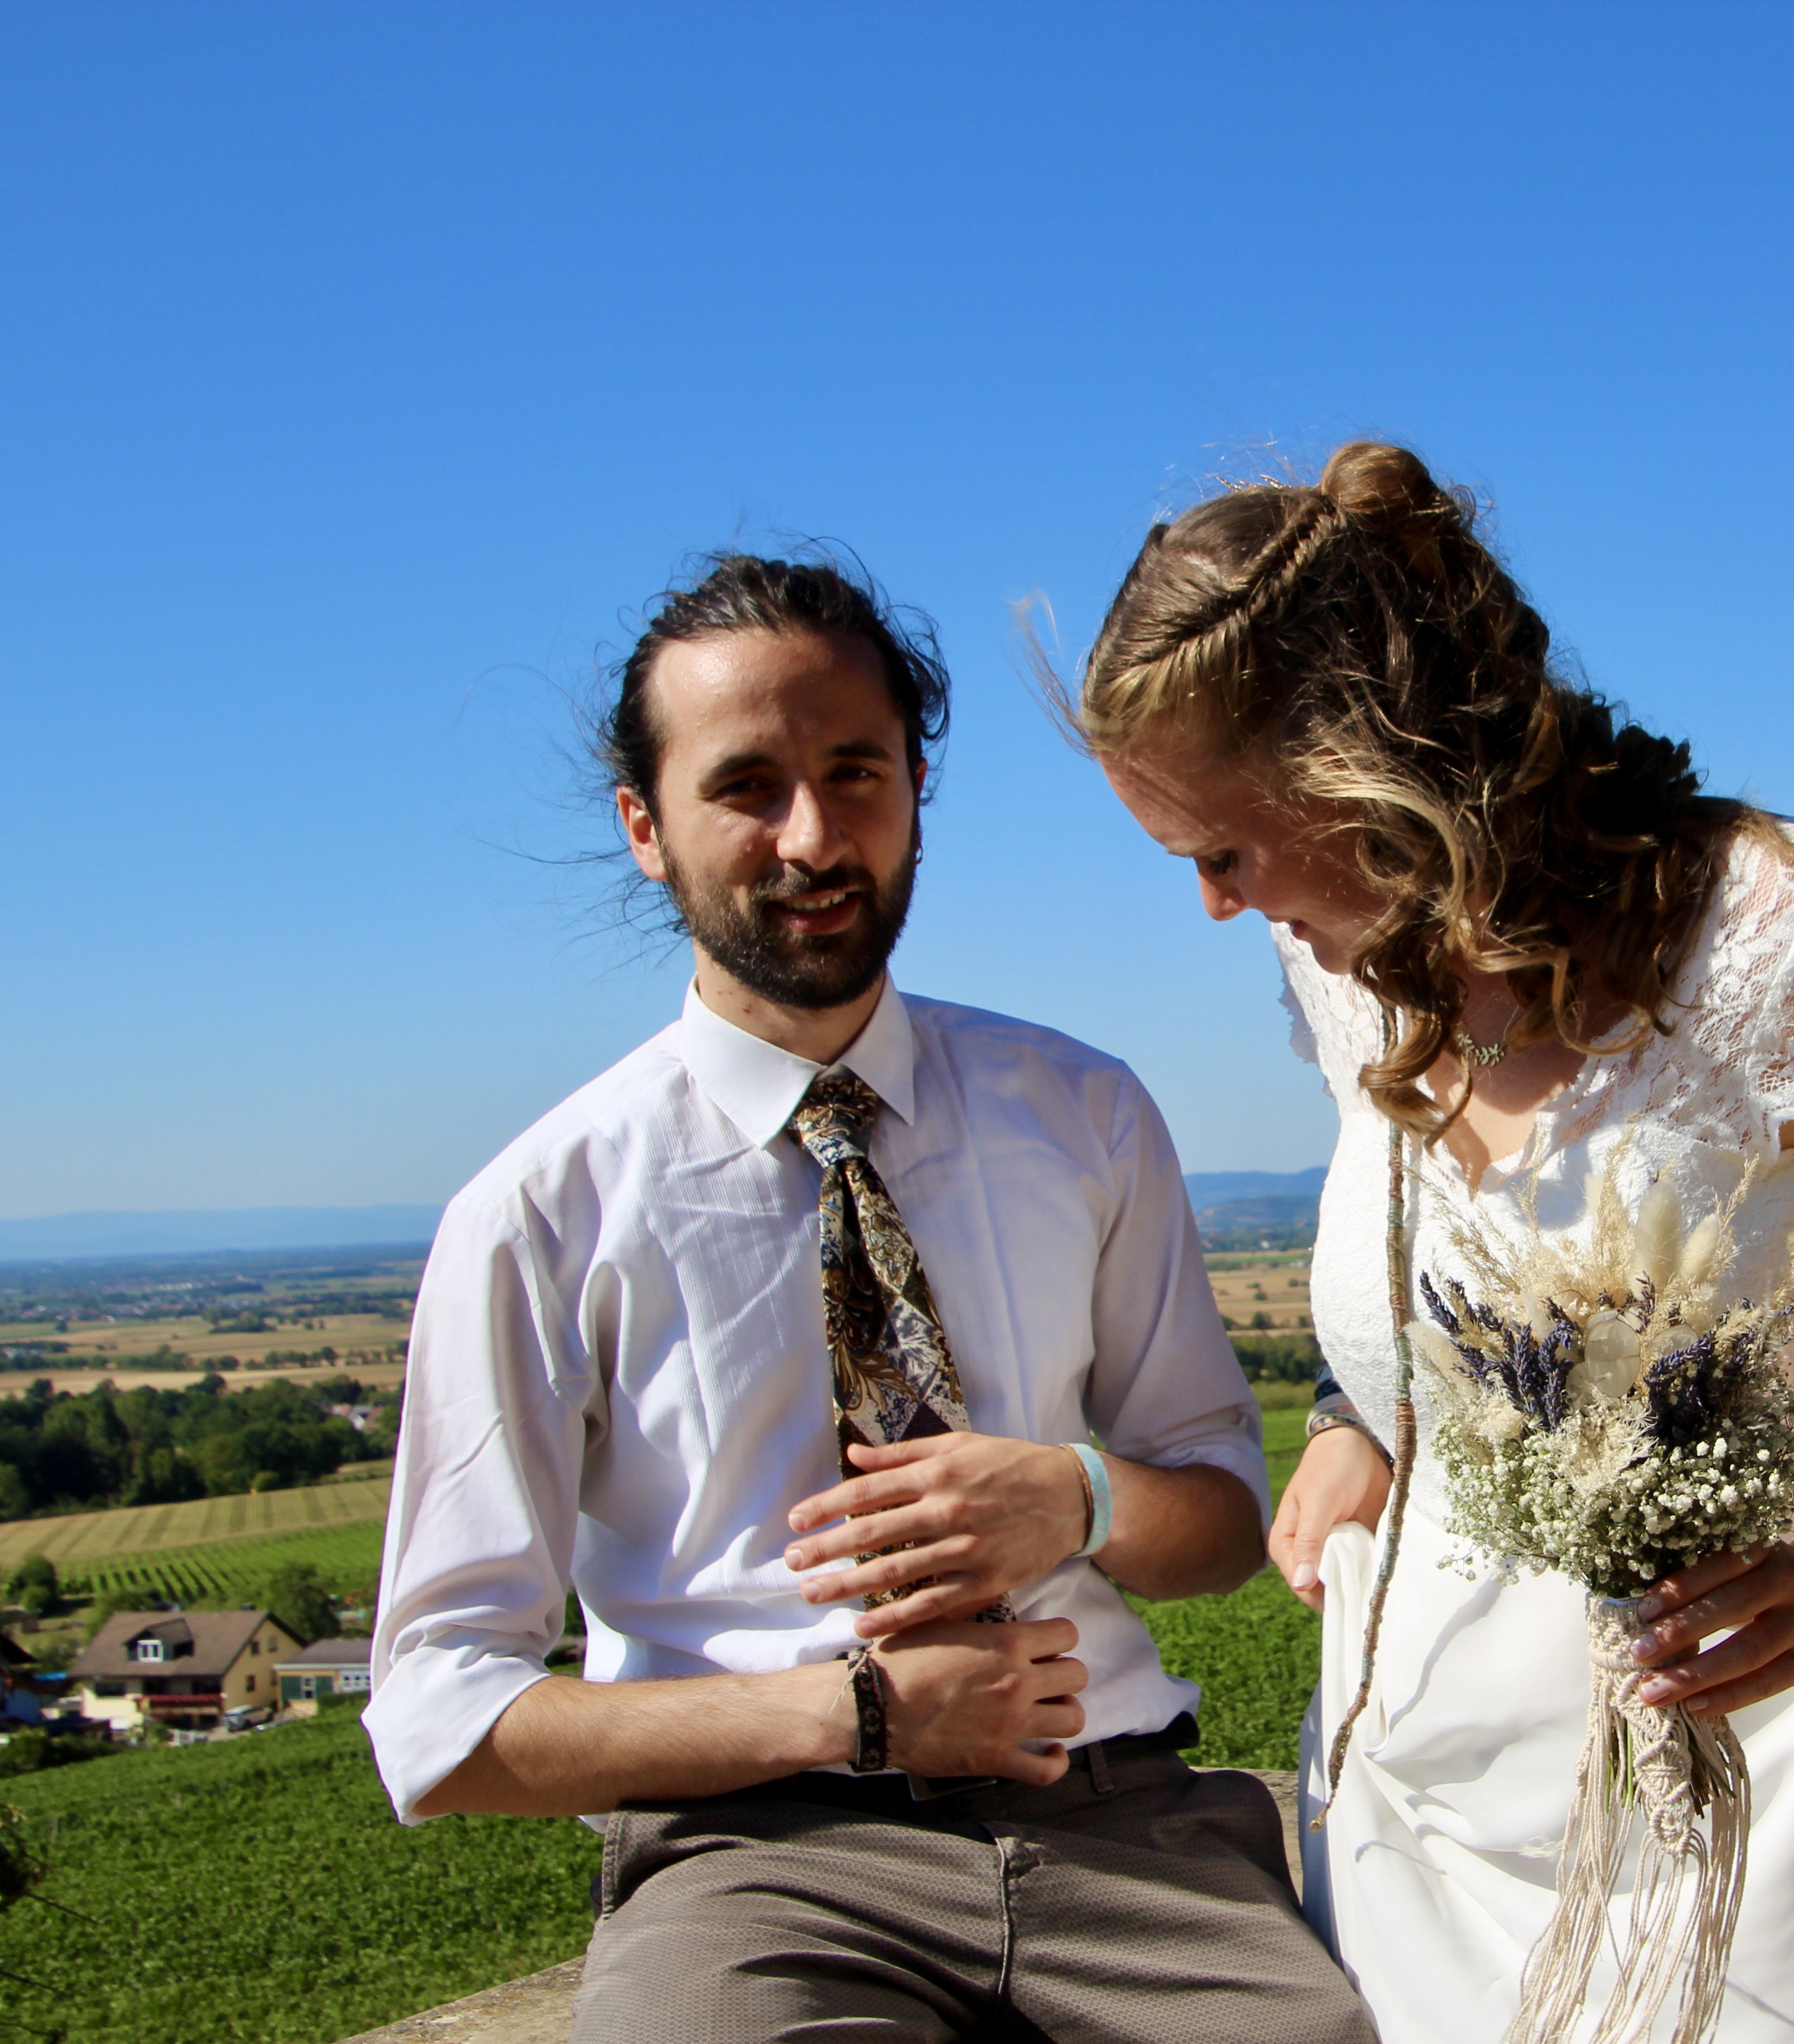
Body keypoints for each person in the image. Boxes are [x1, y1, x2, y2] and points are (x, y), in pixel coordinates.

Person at [1078, 448, 1794, 2042]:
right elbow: (1450, 1284)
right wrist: (1363, 1422)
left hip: (1769, 1791)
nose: (1219, 904)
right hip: (1412, 1807)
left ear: (1366, 769)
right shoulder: (1341, 964)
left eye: (1223, 850)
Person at [365, 554, 1375, 2044]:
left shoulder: (1084, 1111)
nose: (814, 836)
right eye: (746, 786)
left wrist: (1078, 1497)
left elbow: (1223, 1527)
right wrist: (852, 1714)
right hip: (758, 1864)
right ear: (645, 827)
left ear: (916, 787)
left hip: (1125, 1829)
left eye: (856, 773)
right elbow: (439, 1721)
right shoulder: (539, 1214)